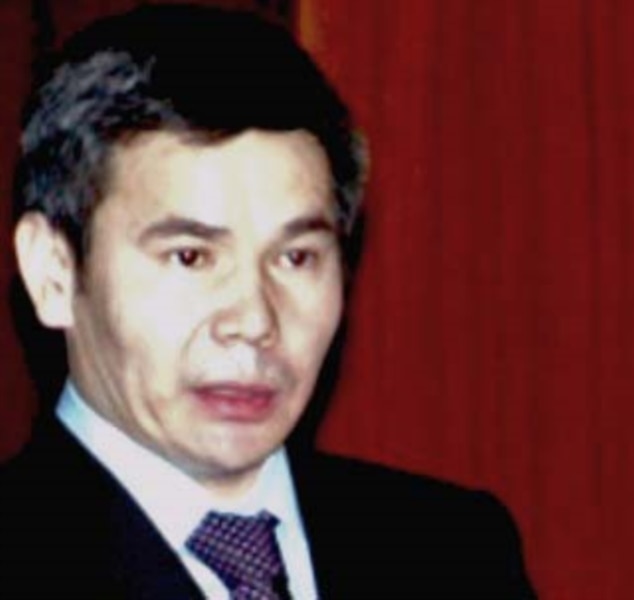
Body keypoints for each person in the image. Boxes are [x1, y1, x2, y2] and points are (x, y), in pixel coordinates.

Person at [0, 4, 536, 599]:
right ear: (53, 273)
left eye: (296, 258)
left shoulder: (455, 550)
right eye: (190, 257)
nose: (255, 321)